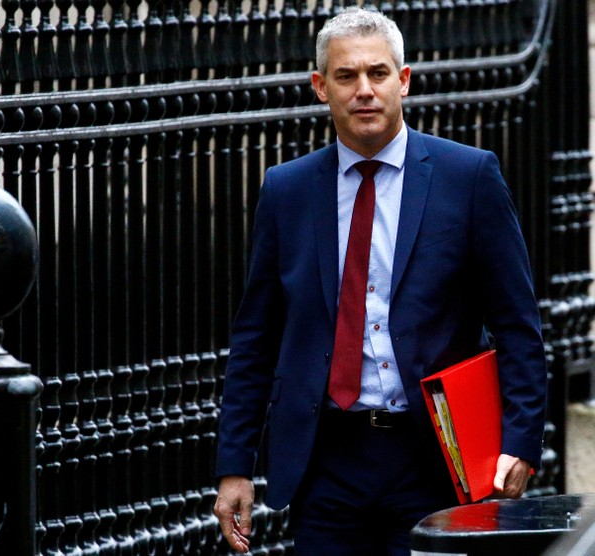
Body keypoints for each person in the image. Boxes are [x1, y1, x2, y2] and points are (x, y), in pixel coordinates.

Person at [213, 7, 547, 555]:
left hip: (436, 461)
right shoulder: (287, 191)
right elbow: (255, 339)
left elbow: (517, 324)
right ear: (321, 87)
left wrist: (522, 443)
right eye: (346, 77)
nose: (364, 90)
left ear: (404, 80)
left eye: (378, 73)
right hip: (327, 464)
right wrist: (235, 467)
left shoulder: (469, 177)